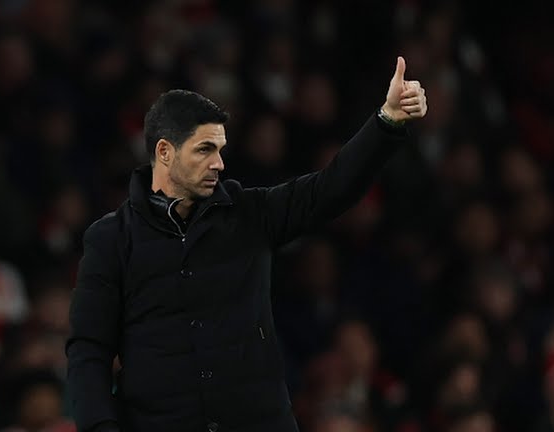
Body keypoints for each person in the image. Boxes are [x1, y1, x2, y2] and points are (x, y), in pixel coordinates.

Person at [65, 56, 427, 432]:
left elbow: (330, 188)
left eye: (220, 150)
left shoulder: (249, 213)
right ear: (164, 152)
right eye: (204, 149)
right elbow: (89, 349)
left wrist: (387, 121)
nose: (219, 164)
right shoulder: (110, 239)